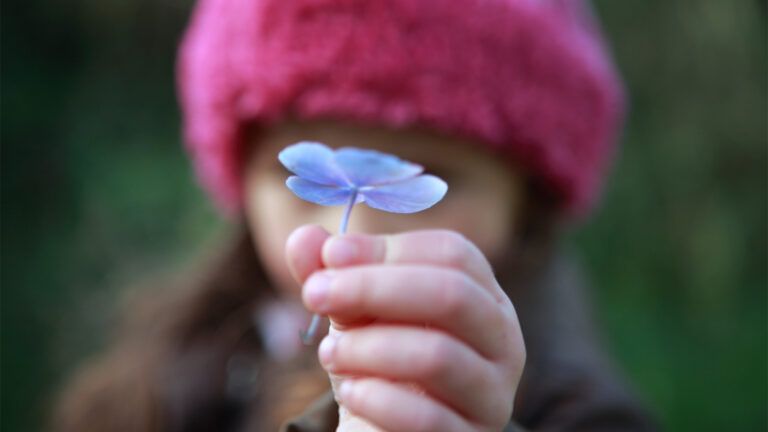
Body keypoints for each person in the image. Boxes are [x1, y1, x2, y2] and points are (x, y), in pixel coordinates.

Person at [54, 0, 657, 430]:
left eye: (430, 174)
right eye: (306, 179)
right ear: (241, 184)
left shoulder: (574, 406)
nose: (362, 230)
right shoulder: (169, 373)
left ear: (525, 202)